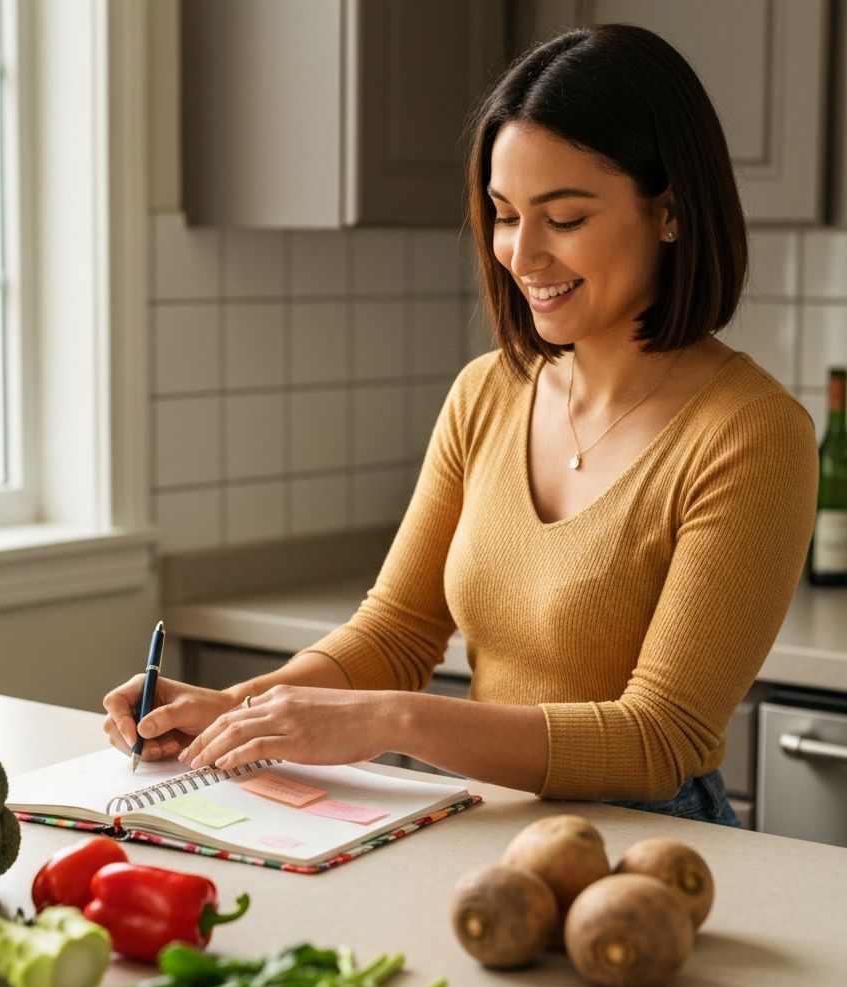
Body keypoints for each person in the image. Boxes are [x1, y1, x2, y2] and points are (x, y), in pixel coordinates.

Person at [103, 24, 818, 826]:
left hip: (647, 848)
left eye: (566, 217)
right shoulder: (489, 392)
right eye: (505, 214)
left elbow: (662, 738)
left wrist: (389, 721)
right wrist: (234, 709)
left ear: (672, 214)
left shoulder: (753, 433)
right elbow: (397, 631)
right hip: (487, 828)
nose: (522, 254)